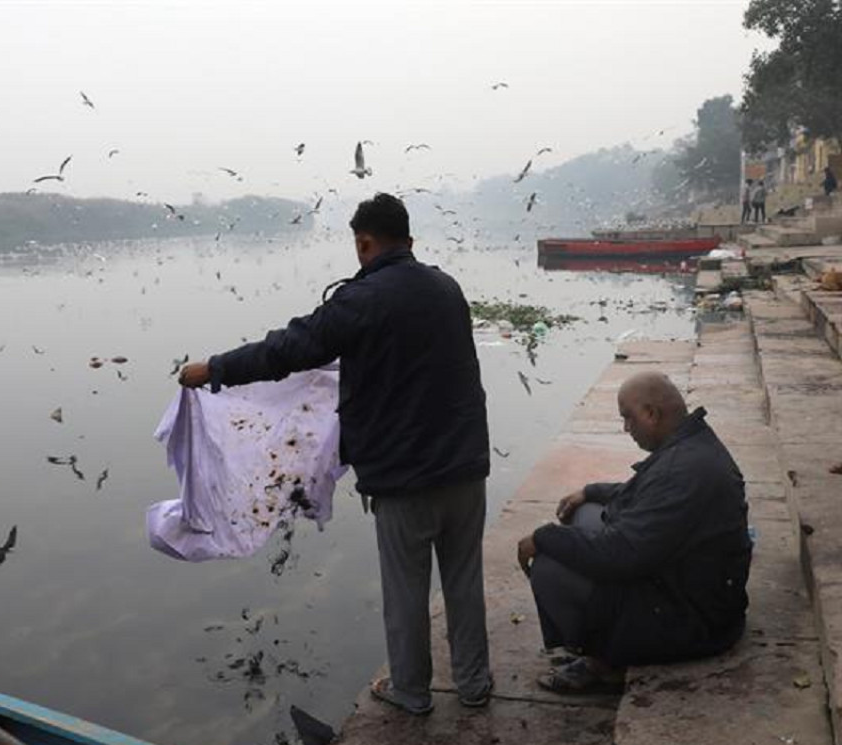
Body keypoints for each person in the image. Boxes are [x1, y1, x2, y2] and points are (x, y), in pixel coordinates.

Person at [178, 193, 492, 715]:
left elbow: (288, 350)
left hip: (404, 477)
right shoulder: (446, 287)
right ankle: (475, 686)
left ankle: (411, 693)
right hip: (465, 466)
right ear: (410, 241)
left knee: (406, 590)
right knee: (464, 581)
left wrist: (214, 369)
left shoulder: (360, 301)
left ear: (363, 243)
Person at [516, 371, 751, 694]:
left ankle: (604, 662)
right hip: (684, 586)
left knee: (549, 567)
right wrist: (590, 490)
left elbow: (619, 555)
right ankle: (586, 642)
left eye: (629, 418)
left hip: (697, 622)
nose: (627, 429)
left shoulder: (681, 469)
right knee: (583, 512)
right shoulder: (690, 444)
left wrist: (543, 537)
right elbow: (642, 494)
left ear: (652, 415)